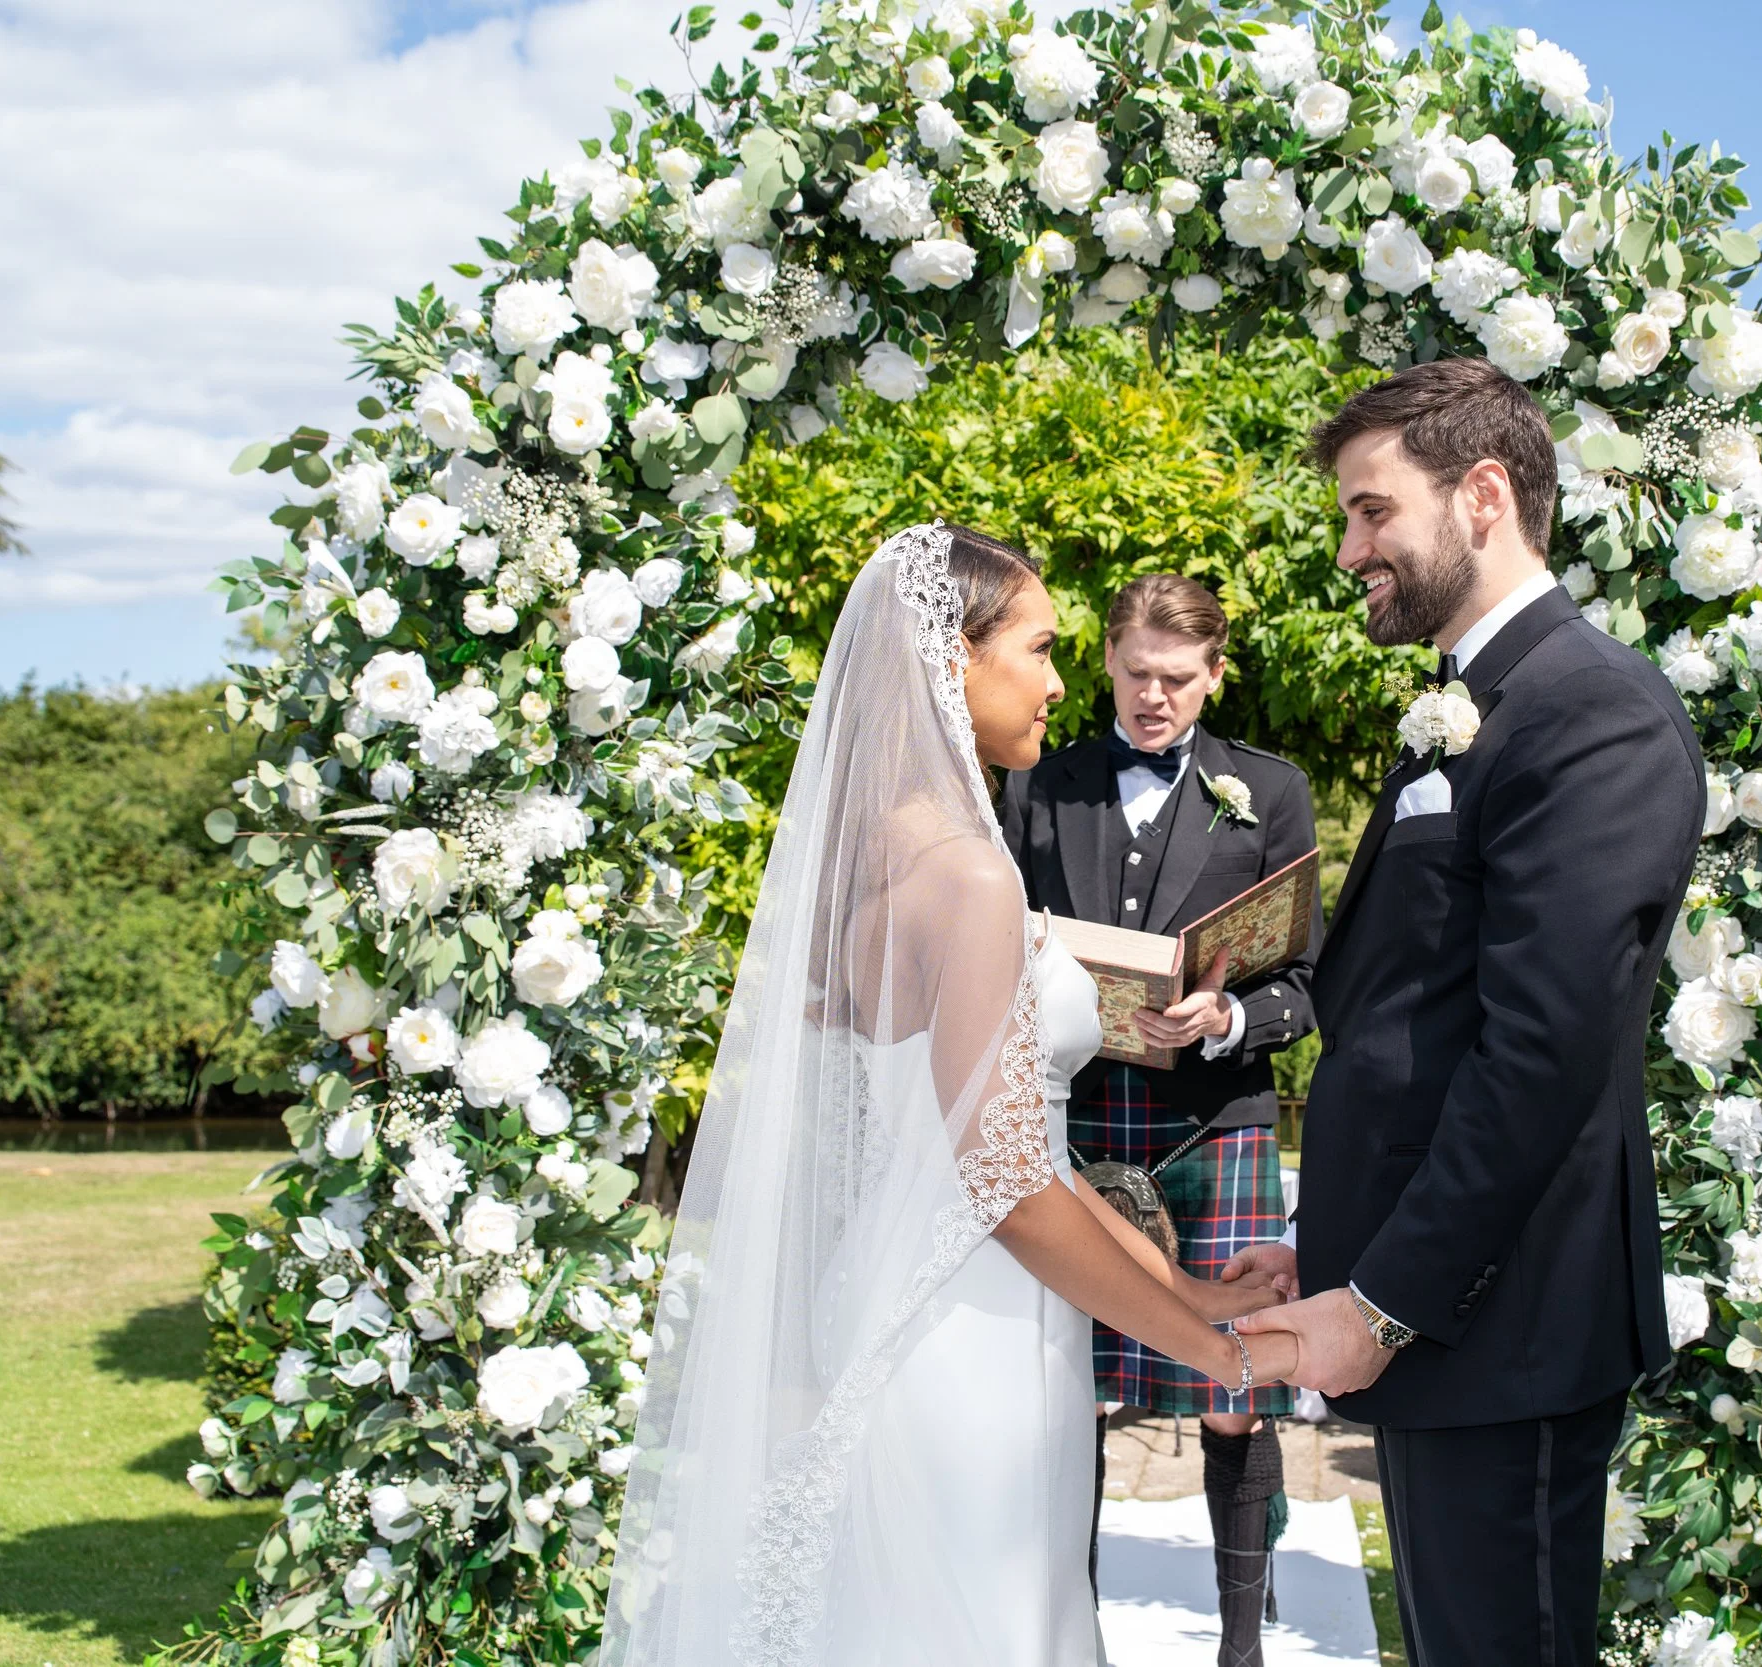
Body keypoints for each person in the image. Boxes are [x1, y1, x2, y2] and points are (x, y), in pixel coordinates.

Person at [601, 525, 1298, 1667]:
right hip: (975, 1338)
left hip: (891, 1303)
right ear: (950, 660)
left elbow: (978, 1140)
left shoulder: (867, 859)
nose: (1061, 681)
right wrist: (1214, 1352)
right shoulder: (971, 877)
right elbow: (1010, 1182)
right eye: (1036, 647)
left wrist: (1199, 1290)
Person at [1224, 360, 1706, 1666]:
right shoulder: (1474, 707)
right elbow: (1408, 1024)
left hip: (1509, 1324)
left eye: (1372, 512)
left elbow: (1539, 1053)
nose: (1348, 549)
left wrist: (1380, 1303)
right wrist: (1324, 1246)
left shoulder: (1591, 711)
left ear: (1484, 494)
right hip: (1452, 1327)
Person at [998, 573, 1322, 1666]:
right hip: (1078, 1119)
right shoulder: (1043, 782)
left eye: (1176, 679)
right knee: (1069, 1384)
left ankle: (1239, 1646)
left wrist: (1228, 1013)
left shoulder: (1268, 791)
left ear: (1214, 673)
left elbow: (1308, 983)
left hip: (1213, 1117)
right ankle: (1070, 1630)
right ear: (1106, 664)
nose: (1152, 697)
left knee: (1235, 1374)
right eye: (1135, 673)